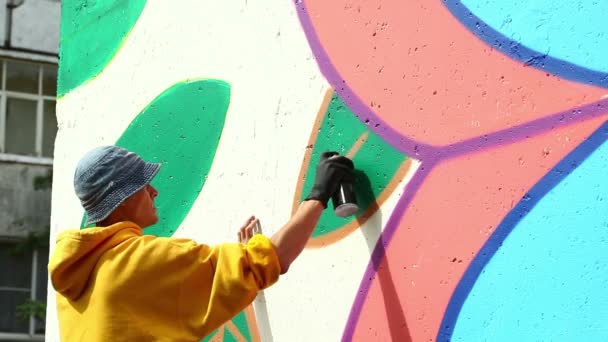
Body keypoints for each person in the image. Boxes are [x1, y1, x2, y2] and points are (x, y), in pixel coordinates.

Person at [48, 145, 354, 341]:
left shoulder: (74, 280)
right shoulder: (138, 261)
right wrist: (319, 193)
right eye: (142, 184)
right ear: (121, 197)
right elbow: (269, 261)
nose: (153, 191)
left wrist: (241, 259)